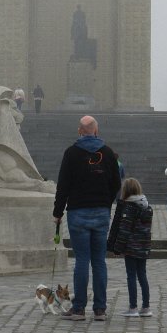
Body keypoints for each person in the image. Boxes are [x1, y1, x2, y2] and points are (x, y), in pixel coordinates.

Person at [53, 115, 121, 321]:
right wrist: (105, 203)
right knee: (99, 261)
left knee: (82, 260)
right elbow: (116, 183)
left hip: (78, 212)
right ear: (96, 130)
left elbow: (63, 185)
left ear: (80, 131)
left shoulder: (71, 153)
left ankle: (79, 308)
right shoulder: (108, 153)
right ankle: (100, 309)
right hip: (100, 212)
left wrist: (58, 212)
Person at [107, 177, 153, 318]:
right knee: (142, 275)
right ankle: (146, 307)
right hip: (144, 246)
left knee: (131, 276)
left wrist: (117, 249)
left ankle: (133, 307)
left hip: (132, 247)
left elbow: (124, 230)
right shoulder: (146, 206)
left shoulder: (129, 207)